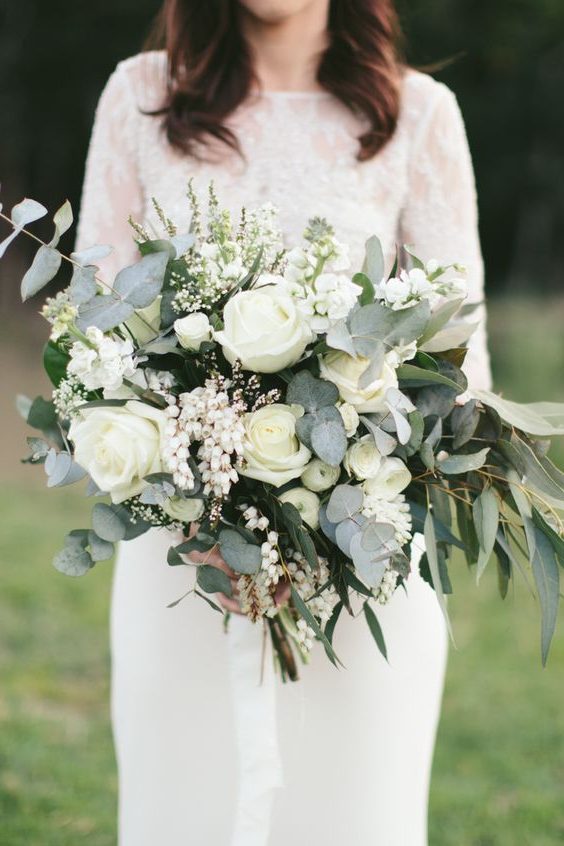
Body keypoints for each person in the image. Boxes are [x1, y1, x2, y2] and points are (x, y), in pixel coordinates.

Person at [75, 1, 492, 843]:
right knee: (184, 802)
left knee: (353, 811)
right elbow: (96, 333)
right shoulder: (141, 96)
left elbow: (458, 362)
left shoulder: (416, 113)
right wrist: (199, 514)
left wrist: (350, 493)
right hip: (185, 560)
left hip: (362, 552)